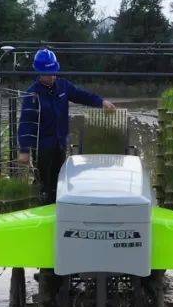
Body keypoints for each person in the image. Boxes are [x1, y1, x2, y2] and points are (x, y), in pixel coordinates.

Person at [18, 48, 115, 203]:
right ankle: (43, 208)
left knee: (61, 181)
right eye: (47, 73)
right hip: (43, 147)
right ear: (39, 72)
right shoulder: (32, 95)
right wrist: (24, 150)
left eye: (53, 72)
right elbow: (26, 123)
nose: (51, 76)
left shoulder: (63, 86)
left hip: (61, 143)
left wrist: (101, 102)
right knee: (43, 184)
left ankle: (59, 209)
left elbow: (81, 95)